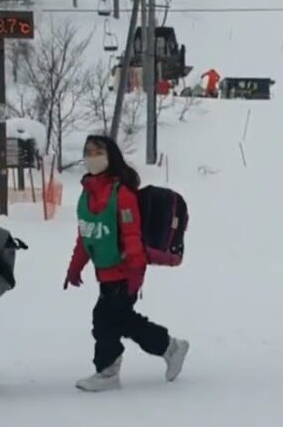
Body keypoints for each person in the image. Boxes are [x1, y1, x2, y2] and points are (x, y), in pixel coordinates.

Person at [64, 135, 189, 391]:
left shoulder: (122, 194)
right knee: (119, 319)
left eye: (98, 151)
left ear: (111, 156)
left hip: (124, 269)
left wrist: (134, 270)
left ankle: (109, 371)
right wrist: (75, 267)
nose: (92, 156)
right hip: (105, 270)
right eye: (88, 151)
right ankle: (169, 347)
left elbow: (132, 234)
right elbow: (86, 234)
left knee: (106, 319)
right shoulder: (86, 195)